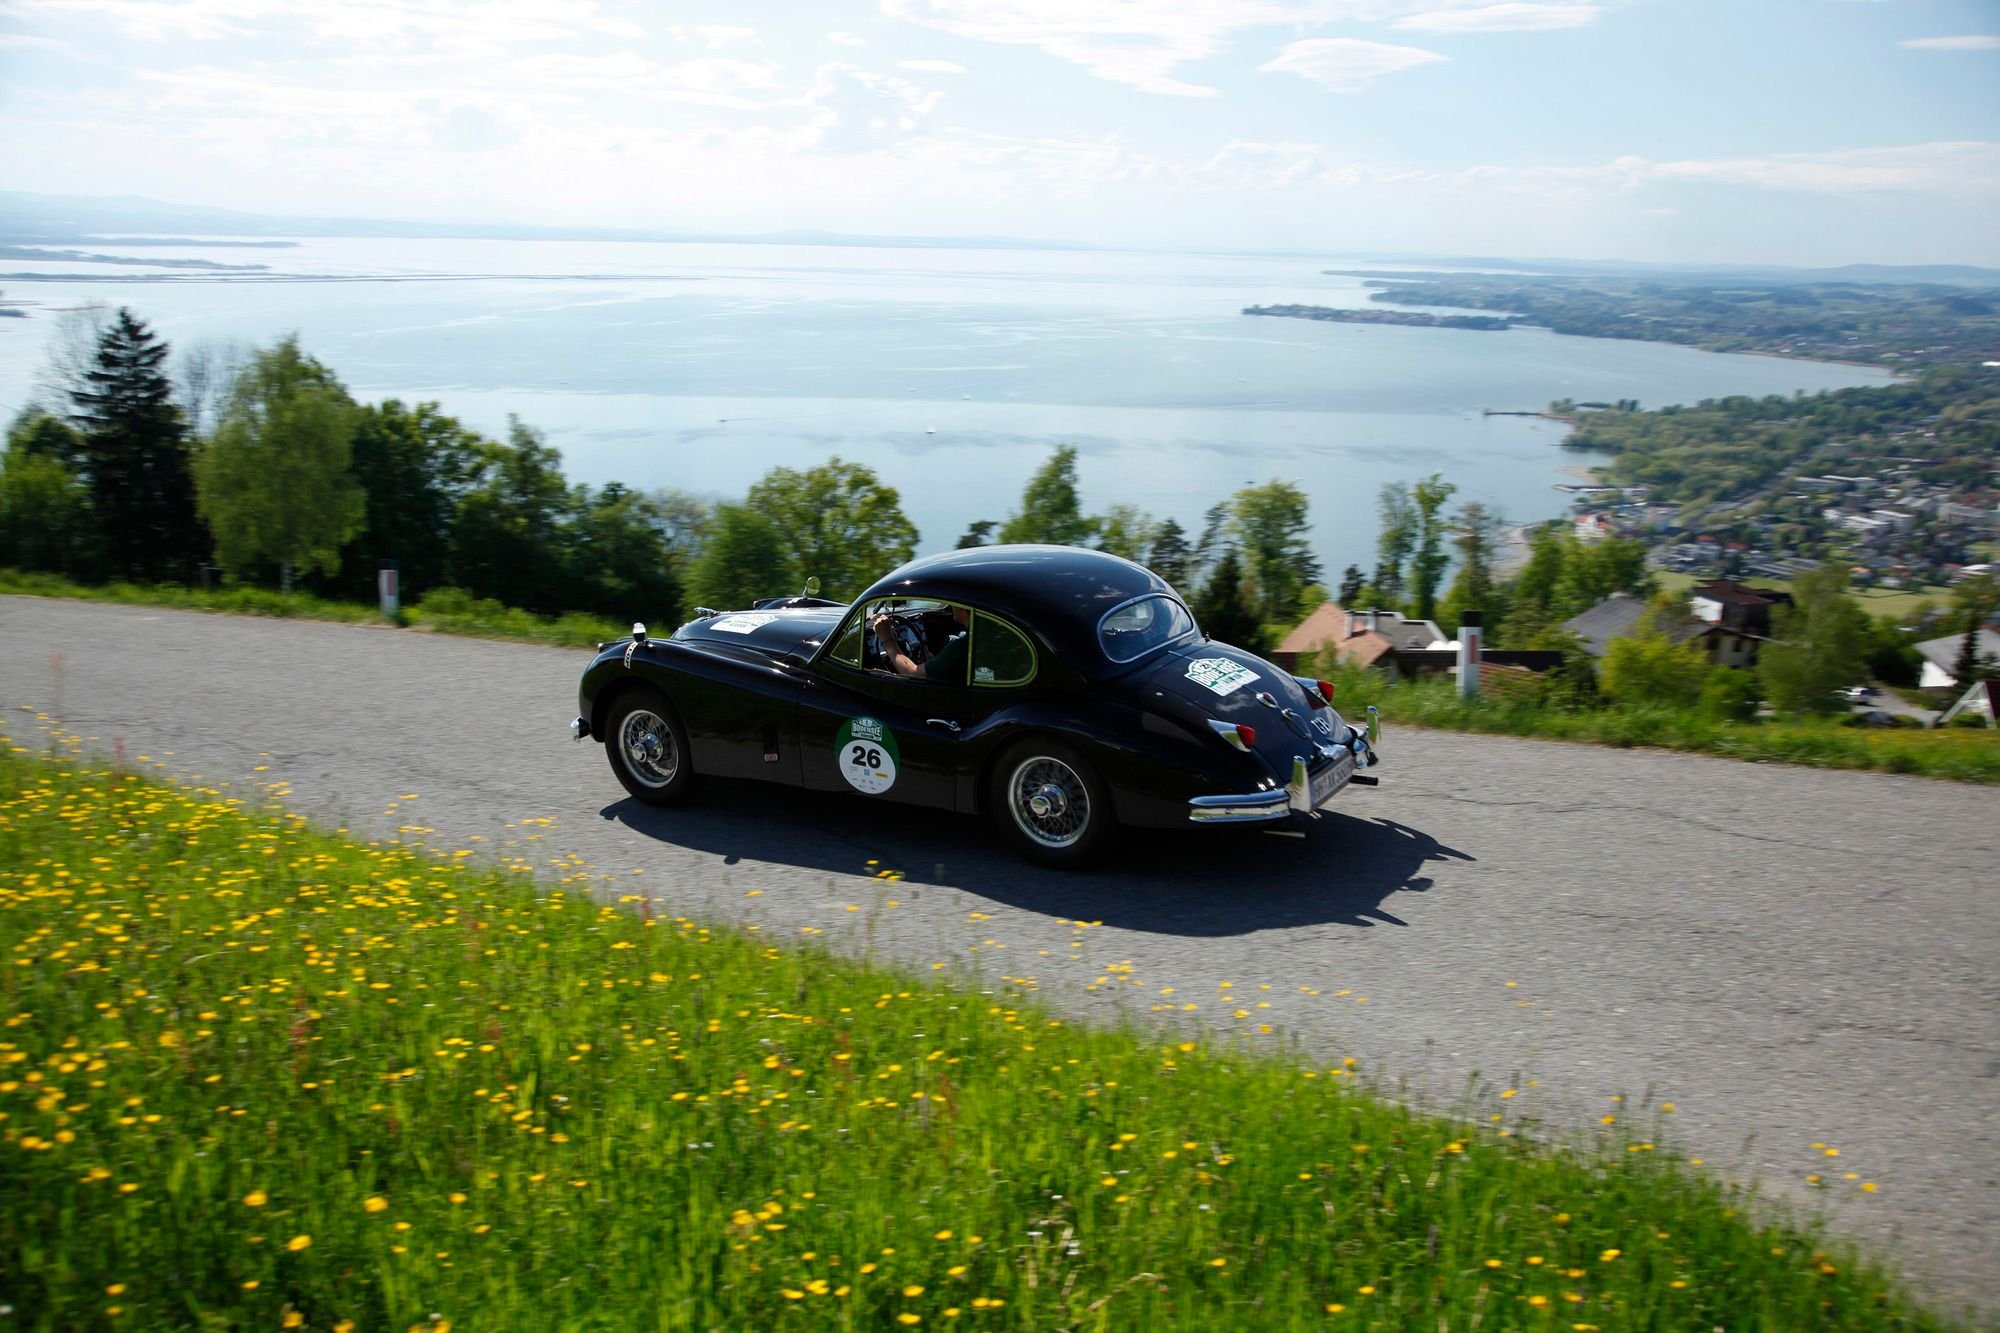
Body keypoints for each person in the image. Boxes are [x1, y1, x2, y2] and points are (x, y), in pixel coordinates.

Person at [873, 604, 969, 683]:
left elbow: (913, 674)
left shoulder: (962, 645)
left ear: (962, 608)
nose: (951, 606)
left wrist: (887, 640)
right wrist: (931, 660)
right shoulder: (971, 638)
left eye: (954, 603)